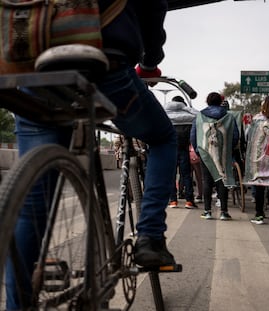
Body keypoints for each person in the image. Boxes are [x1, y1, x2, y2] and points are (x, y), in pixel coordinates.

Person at [7, 1, 176, 309]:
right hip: (105, 61)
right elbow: (153, 5)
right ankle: (150, 237)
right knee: (164, 138)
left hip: (33, 59)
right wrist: (151, 61)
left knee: (33, 199)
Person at [190, 92, 239, 221]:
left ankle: (207, 211)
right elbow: (235, 136)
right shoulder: (229, 117)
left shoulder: (199, 116)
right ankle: (224, 212)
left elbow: (194, 135)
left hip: (205, 152)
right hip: (223, 153)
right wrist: (228, 149)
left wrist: (198, 150)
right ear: (220, 101)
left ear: (207, 101)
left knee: (207, 181)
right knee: (222, 180)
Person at [244, 95, 269, 225]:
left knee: (260, 185)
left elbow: (248, 136)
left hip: (258, 158)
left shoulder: (256, 119)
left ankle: (259, 215)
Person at [163, 95, 198, 209]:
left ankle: (173, 201)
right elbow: (199, 116)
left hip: (169, 149)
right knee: (186, 175)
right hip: (184, 148)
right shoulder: (189, 114)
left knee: (171, 175)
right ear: (183, 104)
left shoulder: (164, 112)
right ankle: (189, 201)